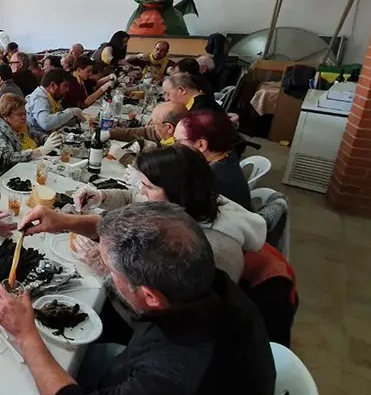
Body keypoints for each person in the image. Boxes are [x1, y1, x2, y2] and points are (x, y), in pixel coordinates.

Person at [0, 201, 275, 395]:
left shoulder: (174, 380)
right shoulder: (204, 280)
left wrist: (25, 334)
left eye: (111, 270)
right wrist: (65, 221)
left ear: (150, 296)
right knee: (82, 357)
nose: (107, 270)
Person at [73, 145, 266, 281]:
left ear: (177, 191)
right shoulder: (187, 204)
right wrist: (102, 196)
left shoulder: (212, 249)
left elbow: (169, 311)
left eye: (148, 186)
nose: (141, 191)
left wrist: (108, 271)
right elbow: (134, 198)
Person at [174, 110, 254, 211]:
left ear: (201, 145)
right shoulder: (227, 155)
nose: (175, 146)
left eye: (177, 141)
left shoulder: (212, 180)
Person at [0, 94, 63, 169]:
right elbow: (8, 158)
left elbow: (35, 134)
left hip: (38, 162)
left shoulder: (22, 123)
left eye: (25, 113)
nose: (24, 117)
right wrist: (41, 151)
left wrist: (49, 139)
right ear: (6, 115)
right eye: (19, 114)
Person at [27, 70, 85, 135]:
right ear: (53, 85)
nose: (67, 89)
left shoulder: (53, 96)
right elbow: (46, 123)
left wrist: (73, 119)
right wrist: (71, 112)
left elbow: (57, 119)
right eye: (65, 85)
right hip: (41, 140)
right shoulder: (39, 98)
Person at [106, 101, 188, 148]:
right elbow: (146, 132)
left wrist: (122, 156)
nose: (152, 127)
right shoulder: (170, 135)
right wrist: (110, 133)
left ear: (169, 128)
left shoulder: (178, 149)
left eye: (154, 124)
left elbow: (151, 169)